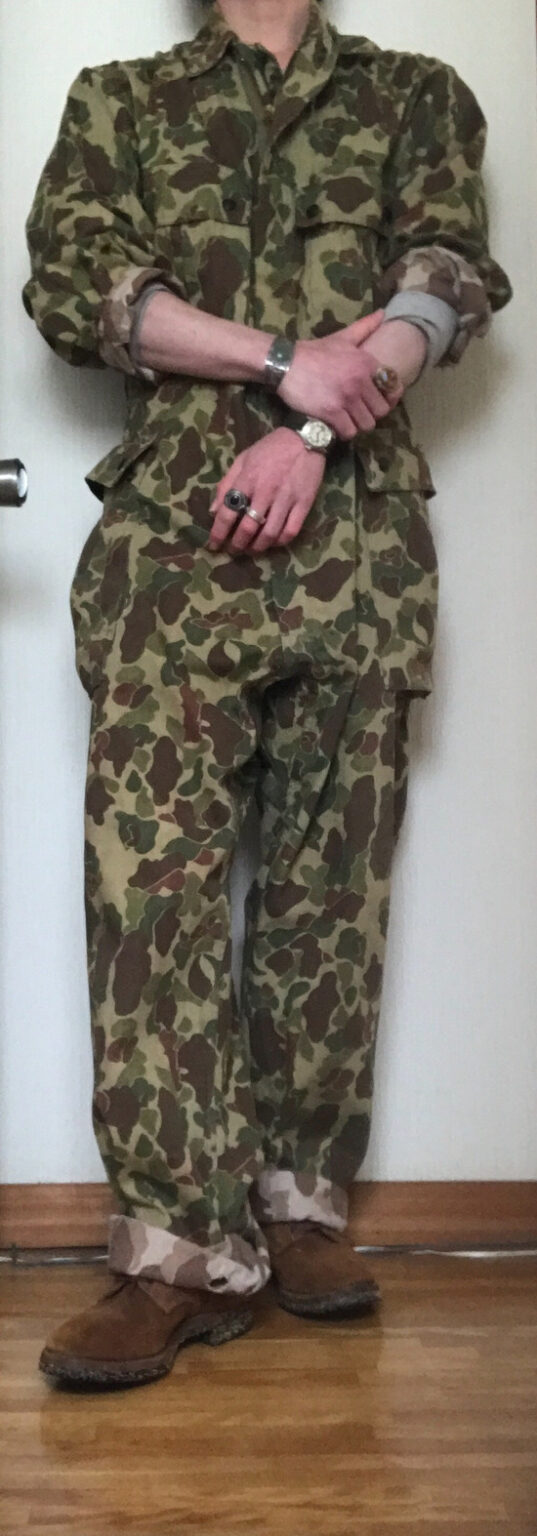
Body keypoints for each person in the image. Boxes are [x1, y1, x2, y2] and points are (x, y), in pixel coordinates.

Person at [23, 0, 512, 1390]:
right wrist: (288, 358)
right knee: (151, 904)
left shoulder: (416, 94)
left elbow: (443, 282)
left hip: (356, 550)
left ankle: (297, 1209)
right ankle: (178, 1254)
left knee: (328, 900)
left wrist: (309, 424)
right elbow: (77, 291)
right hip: (175, 552)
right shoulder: (122, 98)